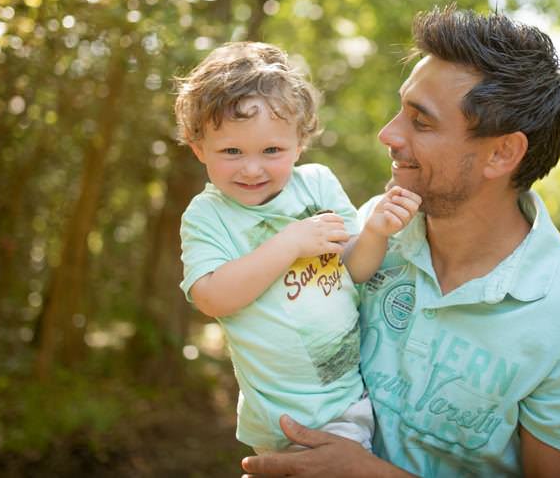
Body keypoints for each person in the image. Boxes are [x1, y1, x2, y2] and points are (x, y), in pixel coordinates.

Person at [241, 6, 560, 477]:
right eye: (400, 110)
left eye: (420, 122)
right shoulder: (368, 228)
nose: (388, 134)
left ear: (502, 152)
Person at [175, 41, 421, 454]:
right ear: (199, 148)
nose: (252, 168)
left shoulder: (318, 184)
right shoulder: (208, 215)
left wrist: (376, 232)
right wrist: (289, 242)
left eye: (272, 150)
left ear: (299, 143)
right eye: (231, 151)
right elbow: (212, 297)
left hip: (346, 399)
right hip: (283, 415)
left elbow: (354, 269)